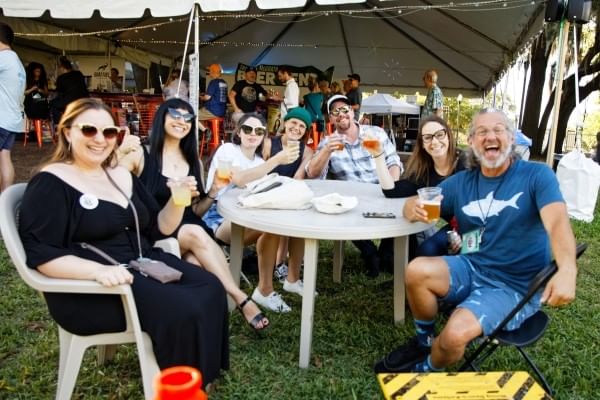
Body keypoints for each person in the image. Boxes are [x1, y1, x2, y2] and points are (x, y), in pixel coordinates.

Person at [19, 98, 229, 386]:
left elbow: (158, 228)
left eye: (109, 133)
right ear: (67, 132)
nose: (100, 140)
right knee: (185, 306)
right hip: (92, 288)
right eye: (89, 130)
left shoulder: (119, 174)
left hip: (141, 261)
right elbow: (42, 253)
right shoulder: (51, 182)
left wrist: (177, 199)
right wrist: (97, 272)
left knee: (210, 287)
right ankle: (177, 386)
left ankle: (198, 377)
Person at [374, 108, 577, 374]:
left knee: (453, 336)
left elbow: (557, 222)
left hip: (513, 286)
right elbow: (415, 200)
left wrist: (568, 269)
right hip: (472, 267)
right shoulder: (461, 182)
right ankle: (424, 341)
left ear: (512, 138)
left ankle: (425, 369)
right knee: (416, 270)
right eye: (481, 131)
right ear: (470, 142)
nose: (489, 136)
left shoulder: (536, 176)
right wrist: (410, 209)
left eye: (498, 130)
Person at [118, 98, 269, 331]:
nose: (181, 121)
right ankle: (241, 299)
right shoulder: (141, 154)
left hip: (189, 226)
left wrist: (214, 191)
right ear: (162, 117)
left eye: (187, 117)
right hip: (154, 229)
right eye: (175, 115)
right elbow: (108, 179)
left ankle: (198, 320)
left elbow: (196, 210)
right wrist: (121, 150)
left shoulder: (193, 162)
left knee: (196, 263)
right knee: (194, 231)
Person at [202, 113, 300, 312]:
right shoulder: (228, 150)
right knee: (269, 222)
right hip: (218, 217)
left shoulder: (257, 163)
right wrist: (275, 161)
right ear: (239, 131)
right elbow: (239, 179)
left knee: (275, 224)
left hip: (247, 215)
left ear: (264, 135)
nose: (252, 134)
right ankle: (268, 288)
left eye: (259, 131)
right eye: (247, 129)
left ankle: (267, 289)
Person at [306, 94, 402, 277]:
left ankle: (386, 252)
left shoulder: (375, 133)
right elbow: (313, 174)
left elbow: (394, 161)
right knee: (341, 209)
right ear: (331, 118)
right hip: (354, 200)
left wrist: (392, 188)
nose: (341, 114)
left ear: (352, 111)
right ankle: (369, 252)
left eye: (344, 109)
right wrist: (326, 151)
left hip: (382, 192)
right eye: (335, 111)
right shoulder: (329, 142)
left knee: (400, 210)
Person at [368, 115, 465, 259]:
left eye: (439, 135)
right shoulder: (424, 175)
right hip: (455, 229)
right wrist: (378, 156)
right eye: (428, 137)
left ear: (448, 136)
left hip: (483, 225)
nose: (434, 141)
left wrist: (468, 234)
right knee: (426, 251)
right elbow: (391, 191)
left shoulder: (466, 163)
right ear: (423, 144)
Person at [260, 107, 315, 301]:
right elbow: (260, 173)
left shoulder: (306, 151)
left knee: (299, 222)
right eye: (293, 123)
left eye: (302, 126)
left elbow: (299, 177)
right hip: (265, 195)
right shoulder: (268, 143)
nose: (297, 128)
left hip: (288, 196)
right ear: (285, 123)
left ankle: (290, 276)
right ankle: (279, 265)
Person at [0, 22, 25, 192]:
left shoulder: (3, 58)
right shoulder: (16, 60)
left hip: (1, 118)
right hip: (12, 119)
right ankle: (4, 199)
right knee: (4, 157)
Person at [51, 56, 89, 122]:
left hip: (70, 102)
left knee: (52, 104)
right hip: (84, 101)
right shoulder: (79, 74)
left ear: (62, 68)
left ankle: (60, 122)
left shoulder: (61, 77)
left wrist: (55, 83)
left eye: (60, 68)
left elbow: (59, 91)